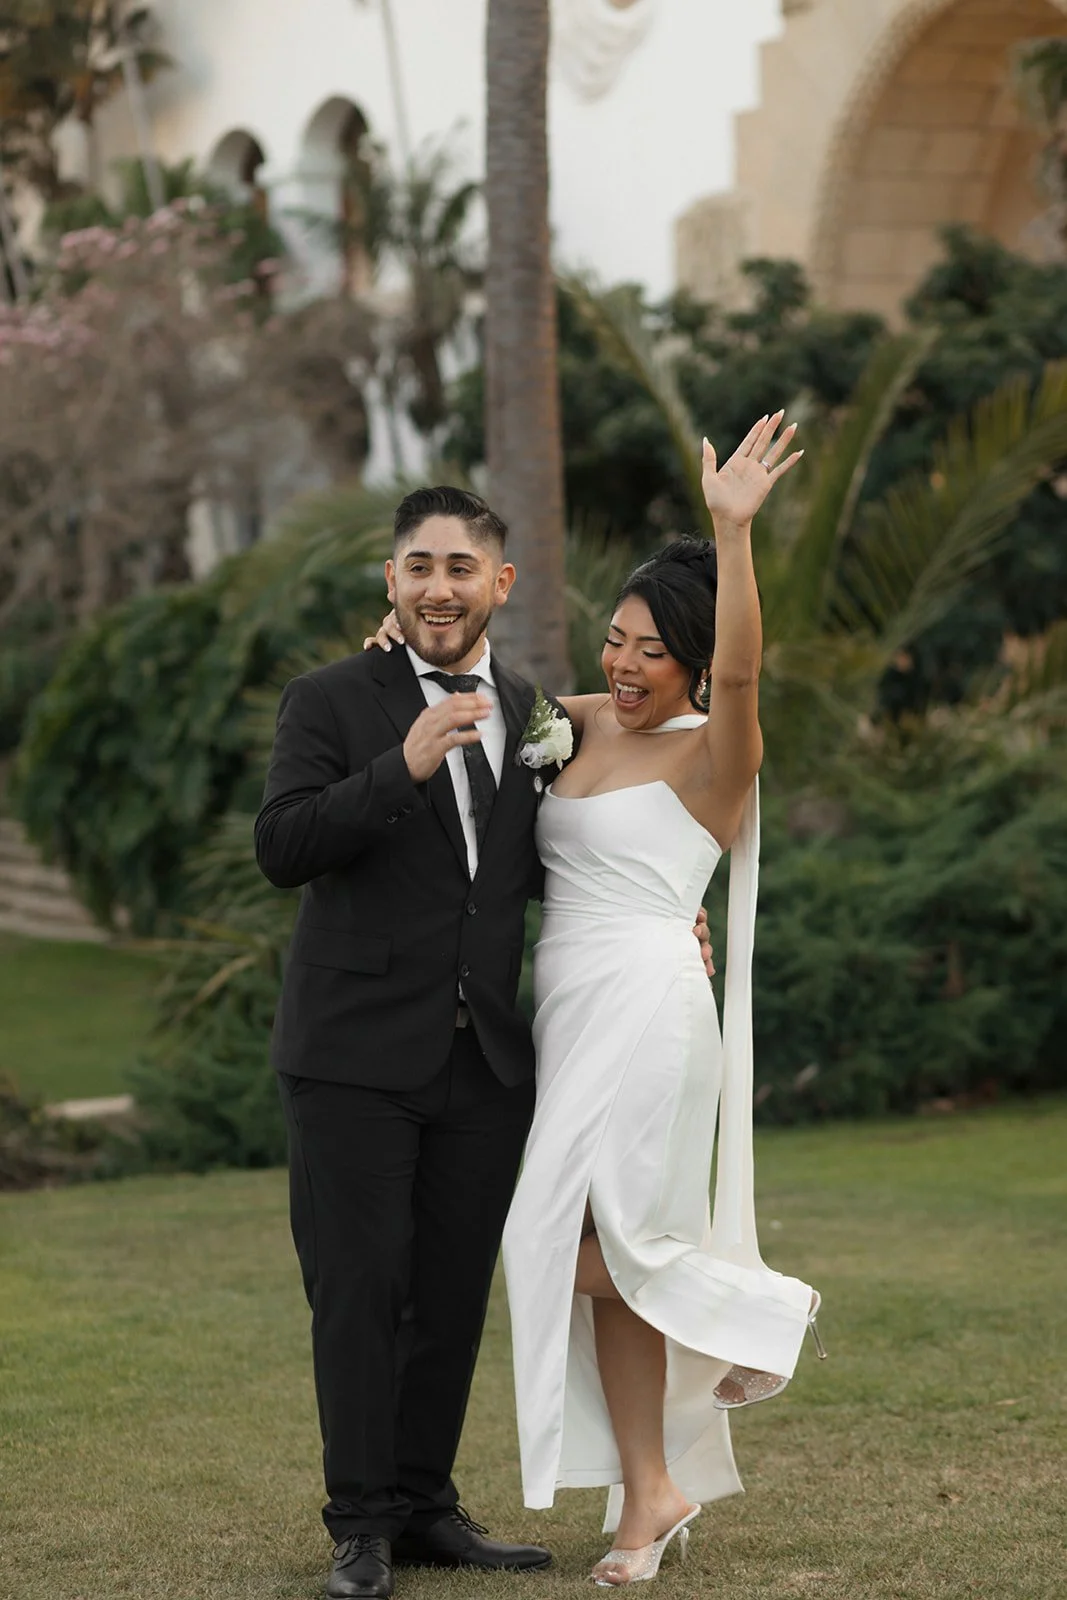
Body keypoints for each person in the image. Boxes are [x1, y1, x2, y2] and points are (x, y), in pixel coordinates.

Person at [255, 485, 713, 1600]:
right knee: (360, 1292)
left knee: (453, 1291)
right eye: (418, 565)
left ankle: (422, 1505)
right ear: (391, 579)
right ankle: (361, 1526)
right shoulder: (329, 700)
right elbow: (283, 844)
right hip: (352, 1054)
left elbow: (570, 850)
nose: (438, 587)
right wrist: (398, 765)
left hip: (483, 1062)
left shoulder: (534, 714)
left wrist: (671, 914)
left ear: (498, 584)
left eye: (461, 568)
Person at [500, 411, 826, 1586]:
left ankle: (753, 1314)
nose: (622, 666)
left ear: (692, 662)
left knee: (562, 1238)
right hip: (564, 1009)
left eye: (649, 649)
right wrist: (401, 635)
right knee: (604, 1250)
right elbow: (487, 706)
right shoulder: (577, 726)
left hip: (645, 1006)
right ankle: (648, 1493)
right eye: (613, 638)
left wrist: (729, 535)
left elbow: (743, 668)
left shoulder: (710, 751)